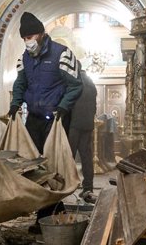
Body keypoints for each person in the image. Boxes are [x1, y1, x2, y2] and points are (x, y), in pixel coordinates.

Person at [8, 12, 83, 231]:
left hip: (56, 118)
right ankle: (50, 210)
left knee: (52, 166)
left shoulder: (62, 54)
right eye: (24, 38)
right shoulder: (25, 58)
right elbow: (21, 83)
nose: (27, 41)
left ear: (41, 34)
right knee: (33, 165)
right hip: (34, 118)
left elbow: (76, 86)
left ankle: (45, 216)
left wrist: (63, 106)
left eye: (30, 36)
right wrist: (15, 103)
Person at [68, 66, 98, 204]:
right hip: (87, 125)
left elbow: (69, 103)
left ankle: (67, 186)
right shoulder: (91, 84)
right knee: (86, 157)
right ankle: (88, 188)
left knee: (69, 156)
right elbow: (94, 107)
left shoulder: (74, 82)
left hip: (74, 124)